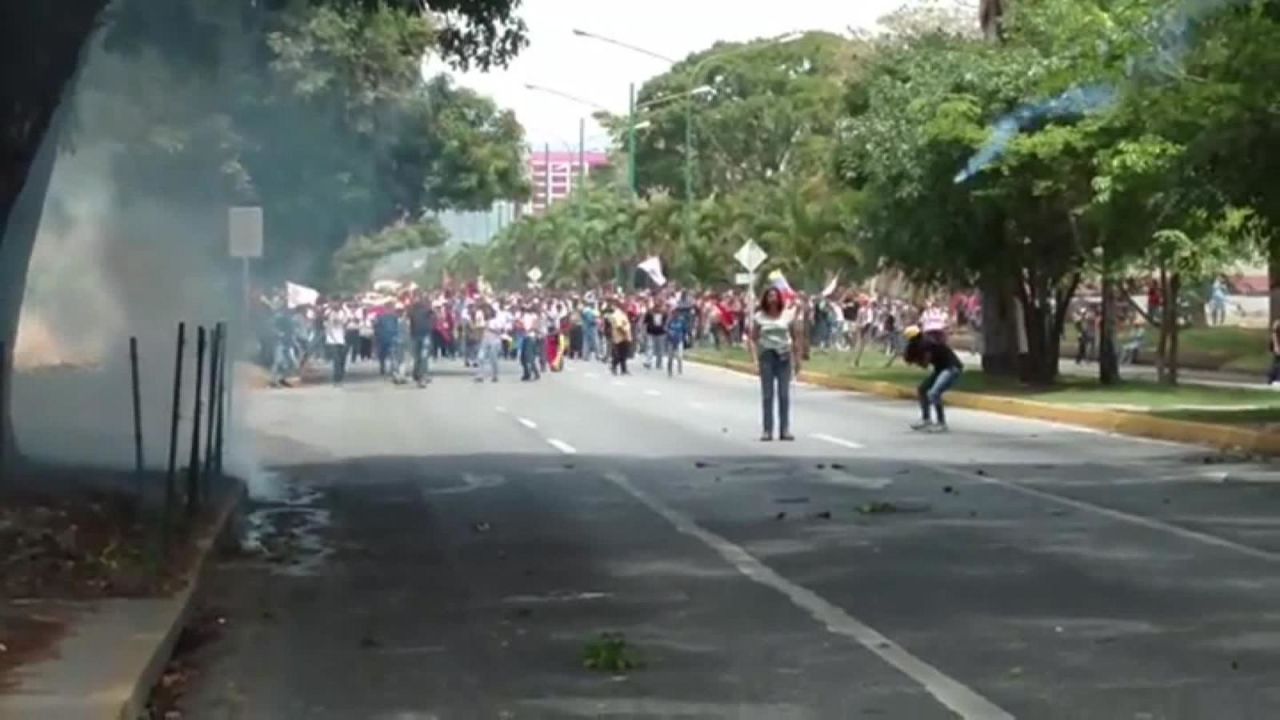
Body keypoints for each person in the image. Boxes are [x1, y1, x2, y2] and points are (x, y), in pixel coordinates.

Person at [748, 287, 800, 442]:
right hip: (767, 357)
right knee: (768, 395)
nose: (773, 298)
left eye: (775, 295)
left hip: (784, 356)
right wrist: (755, 360)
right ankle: (767, 430)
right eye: (770, 296)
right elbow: (753, 338)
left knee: (784, 395)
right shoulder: (759, 317)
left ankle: (785, 429)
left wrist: (797, 359)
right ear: (765, 299)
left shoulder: (787, 315)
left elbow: (796, 336)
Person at [903, 325, 963, 432]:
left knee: (934, 393)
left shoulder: (926, 344)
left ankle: (941, 423)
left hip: (951, 368)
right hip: (941, 369)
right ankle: (926, 419)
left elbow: (925, 364)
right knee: (922, 389)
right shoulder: (924, 341)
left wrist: (915, 360)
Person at [407, 294, 435, 387]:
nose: (417, 300)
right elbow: (407, 321)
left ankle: (423, 377)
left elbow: (434, 316)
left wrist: (430, 326)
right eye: (415, 298)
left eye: (418, 298)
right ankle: (416, 374)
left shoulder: (426, 309)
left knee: (424, 356)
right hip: (415, 336)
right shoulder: (411, 310)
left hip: (425, 335)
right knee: (417, 357)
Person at [323, 300, 351, 386]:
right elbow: (324, 323)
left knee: (342, 358)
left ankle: (340, 375)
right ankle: (336, 379)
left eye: (337, 302)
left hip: (342, 339)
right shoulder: (328, 312)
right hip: (331, 339)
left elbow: (347, 322)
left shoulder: (345, 312)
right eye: (333, 302)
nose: (335, 304)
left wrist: (341, 322)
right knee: (336, 359)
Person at [643, 297, 668, 371]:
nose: (658, 305)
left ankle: (659, 363)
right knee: (650, 347)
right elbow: (645, 322)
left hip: (660, 332)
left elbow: (666, 322)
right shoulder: (650, 312)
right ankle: (648, 362)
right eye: (657, 303)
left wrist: (666, 329)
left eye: (660, 303)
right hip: (650, 332)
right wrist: (643, 331)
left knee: (660, 349)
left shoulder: (664, 312)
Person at [608, 303, 633, 376]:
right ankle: (613, 366)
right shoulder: (617, 314)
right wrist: (625, 334)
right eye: (625, 306)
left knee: (624, 354)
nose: (627, 308)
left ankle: (623, 369)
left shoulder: (622, 314)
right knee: (619, 354)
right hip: (620, 337)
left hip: (624, 336)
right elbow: (619, 326)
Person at [1268, 320, 1280, 387]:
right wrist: (1276, 347)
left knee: (1276, 364)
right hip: (1276, 349)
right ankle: (1275, 380)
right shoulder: (1277, 324)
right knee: (1276, 364)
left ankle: (1273, 380)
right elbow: (1274, 336)